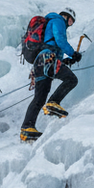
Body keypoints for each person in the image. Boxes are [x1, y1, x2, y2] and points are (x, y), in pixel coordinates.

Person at [20, 8, 81, 143]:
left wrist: (65, 60)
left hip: (40, 63)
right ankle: (54, 102)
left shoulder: (48, 23)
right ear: (66, 16)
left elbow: (51, 44)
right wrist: (73, 53)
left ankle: (27, 128)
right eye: (71, 21)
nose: (70, 24)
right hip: (48, 59)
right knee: (71, 79)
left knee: (39, 98)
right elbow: (59, 40)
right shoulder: (58, 21)